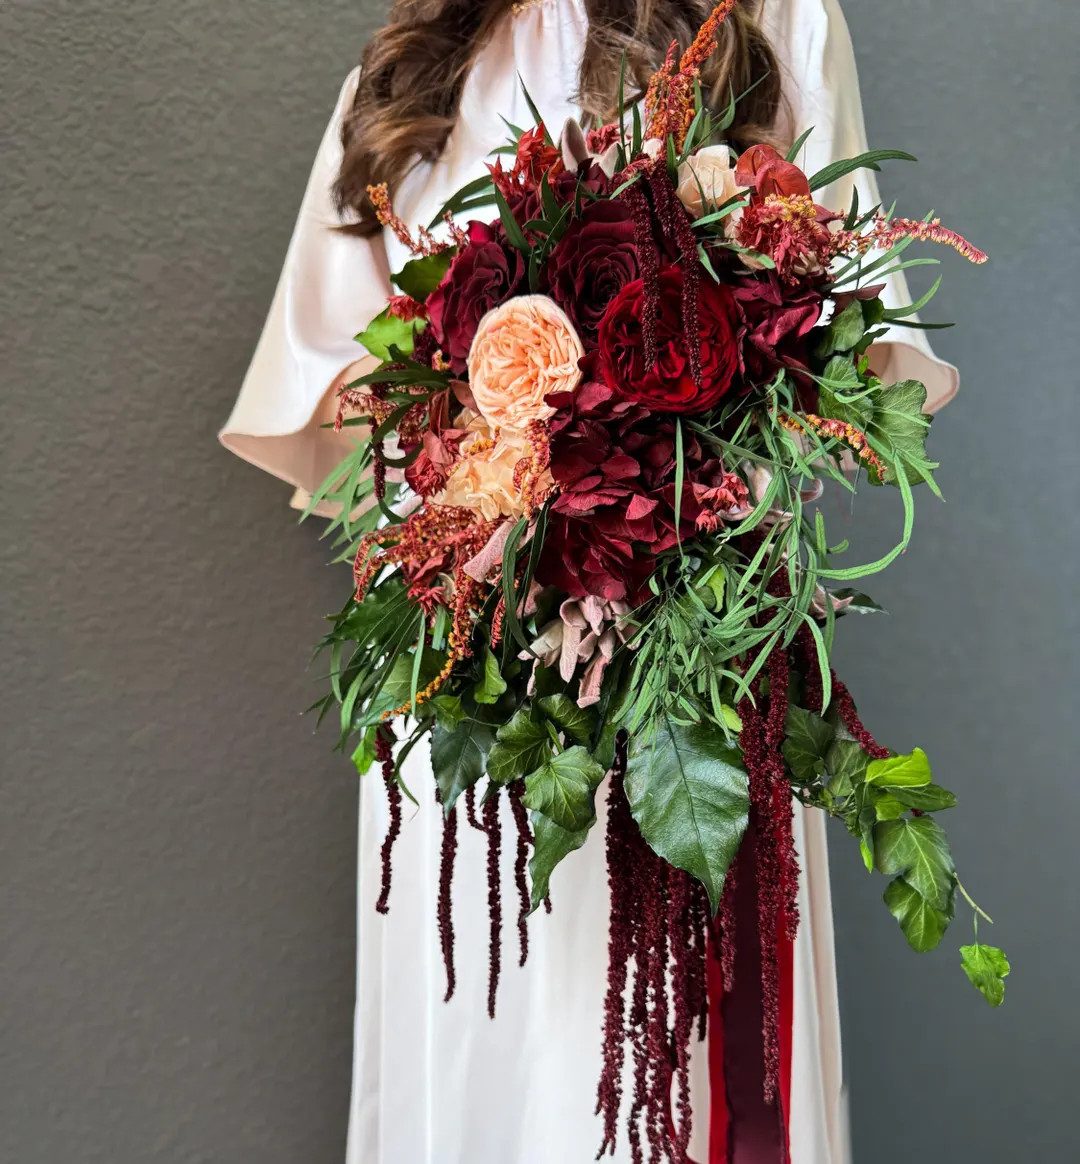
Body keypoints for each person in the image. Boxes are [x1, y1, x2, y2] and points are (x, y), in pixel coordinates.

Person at [221, 2, 957, 1160]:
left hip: (692, 678)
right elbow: (340, 395)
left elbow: (845, 371)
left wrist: (664, 495)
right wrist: (489, 478)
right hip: (474, 693)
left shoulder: (776, 18)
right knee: (487, 1052)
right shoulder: (418, 55)